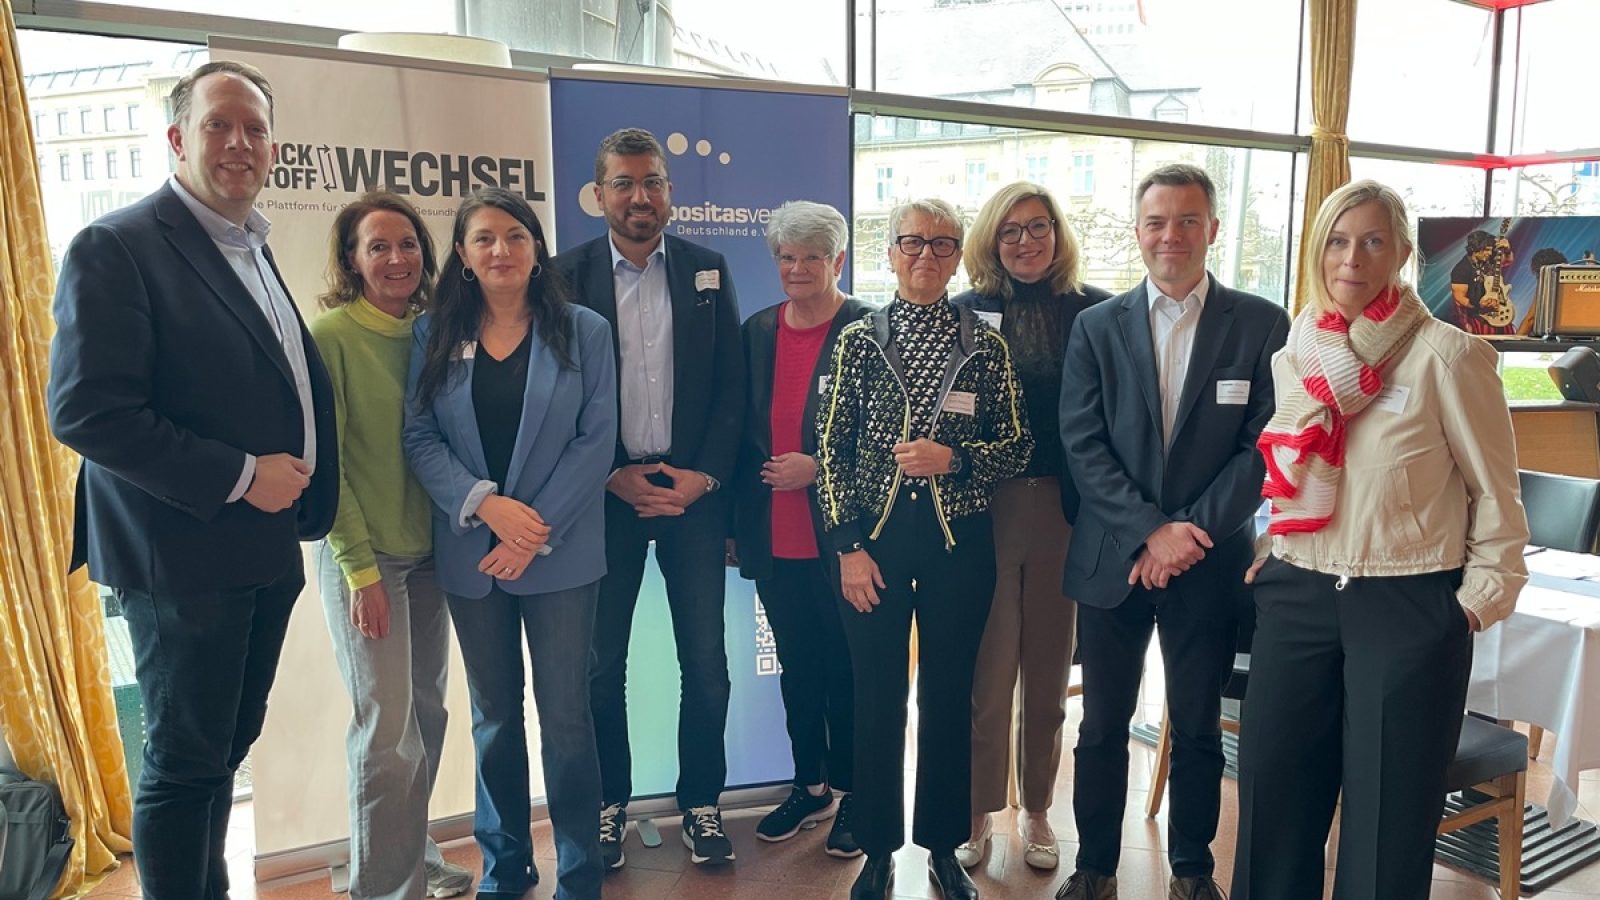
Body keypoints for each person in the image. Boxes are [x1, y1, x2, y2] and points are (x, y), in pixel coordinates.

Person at [47, 60, 338, 899]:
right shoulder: (119, 246)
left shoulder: (251, 242)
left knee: (218, 757)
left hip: (263, 553)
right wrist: (243, 475)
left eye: (254, 127)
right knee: (183, 768)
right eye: (220, 124)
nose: (240, 142)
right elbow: (87, 412)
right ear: (178, 138)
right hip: (182, 559)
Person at [1233, 179, 1529, 900]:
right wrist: (1273, 547)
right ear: (1317, 249)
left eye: (1371, 240)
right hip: (1301, 593)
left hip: (1406, 605)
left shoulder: (1448, 356)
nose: (1352, 258)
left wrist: (1473, 603)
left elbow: (1497, 494)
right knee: (1273, 806)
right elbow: (1292, 464)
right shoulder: (1297, 347)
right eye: (1337, 239)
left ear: (1401, 251)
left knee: (1386, 821)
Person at [1055, 164, 1288, 900]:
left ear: (1213, 230)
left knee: (1195, 726)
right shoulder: (1095, 326)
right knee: (1100, 727)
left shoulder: (1259, 324)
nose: (1171, 236)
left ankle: (1193, 868)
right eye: (1157, 221)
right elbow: (1081, 443)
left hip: (1209, 562)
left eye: (1188, 220)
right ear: (1138, 231)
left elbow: (1265, 443)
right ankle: (1094, 865)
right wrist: (1151, 532)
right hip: (1112, 560)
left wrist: (1188, 534)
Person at [402, 187, 616, 900]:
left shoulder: (582, 329)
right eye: (485, 238)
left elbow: (596, 442)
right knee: (494, 720)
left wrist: (532, 529)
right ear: (462, 255)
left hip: (560, 556)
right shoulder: (432, 331)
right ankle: (506, 864)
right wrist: (486, 505)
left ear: (536, 249)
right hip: (473, 554)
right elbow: (420, 436)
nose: (501, 250)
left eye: (516, 236)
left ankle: (580, 869)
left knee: (566, 719)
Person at [817, 198, 1033, 900]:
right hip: (872, 548)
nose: (926, 257)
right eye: (912, 242)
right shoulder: (858, 339)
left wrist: (958, 458)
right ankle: (877, 851)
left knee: (949, 699)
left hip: (958, 549)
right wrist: (846, 545)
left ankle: (942, 848)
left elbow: (1019, 444)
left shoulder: (986, 345)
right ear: (890, 252)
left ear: (958, 256)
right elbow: (831, 448)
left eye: (942, 245)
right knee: (876, 696)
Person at [550, 127, 745, 869]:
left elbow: (733, 389)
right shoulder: (562, 279)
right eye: (625, 184)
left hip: (694, 495)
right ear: (600, 195)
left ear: (669, 192)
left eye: (653, 182)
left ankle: (702, 804)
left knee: (708, 662)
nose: (641, 197)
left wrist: (706, 478)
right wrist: (604, 474)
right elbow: (556, 396)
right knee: (601, 665)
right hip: (604, 498)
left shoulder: (709, 269)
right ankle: (608, 807)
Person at [309, 190, 474, 900]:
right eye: (378, 246)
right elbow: (329, 461)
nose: (397, 258)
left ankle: (413, 857)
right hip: (366, 558)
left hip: (431, 553)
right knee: (384, 733)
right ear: (352, 259)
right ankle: (383, 889)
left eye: (408, 245)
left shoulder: (434, 332)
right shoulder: (332, 337)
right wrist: (359, 569)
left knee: (426, 717)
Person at [951, 182, 1110, 873]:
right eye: (1010, 230)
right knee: (986, 676)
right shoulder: (961, 314)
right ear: (991, 239)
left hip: (1061, 510)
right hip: (982, 509)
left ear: (1057, 233)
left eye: (1038, 227)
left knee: (1047, 674)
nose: (1025, 241)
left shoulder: (1097, 313)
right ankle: (979, 810)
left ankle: (1039, 811)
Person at [730, 201, 871, 858]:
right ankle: (809, 785)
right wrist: (736, 526)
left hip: (845, 540)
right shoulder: (757, 330)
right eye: (786, 258)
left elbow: (888, 436)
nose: (797, 269)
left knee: (849, 670)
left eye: (811, 257)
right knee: (798, 670)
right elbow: (738, 433)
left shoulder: (868, 329)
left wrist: (819, 467)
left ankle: (853, 794)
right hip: (774, 534)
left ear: (836, 261)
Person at [1448, 227, 1516, 336]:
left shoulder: (1489, 260)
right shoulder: (1461, 269)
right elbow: (1459, 298)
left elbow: (1508, 261)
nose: (1489, 253)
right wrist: (1480, 306)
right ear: (1473, 250)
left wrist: (1507, 250)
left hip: (1497, 310)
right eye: (1486, 250)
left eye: (1490, 249)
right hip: (1476, 317)